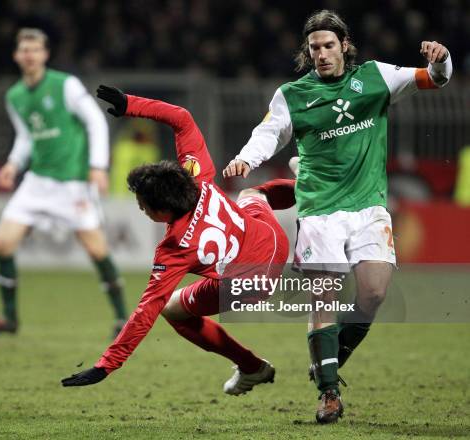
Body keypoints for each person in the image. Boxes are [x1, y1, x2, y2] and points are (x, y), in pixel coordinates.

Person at [223, 10, 452, 423]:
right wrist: (245, 159)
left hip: (368, 206)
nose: (322, 54)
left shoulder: (376, 78)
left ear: (344, 45)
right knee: (323, 296)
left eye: (329, 46)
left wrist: (440, 59)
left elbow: (434, 79)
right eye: (315, 48)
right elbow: (270, 132)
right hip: (319, 211)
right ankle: (329, 393)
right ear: (307, 52)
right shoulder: (293, 94)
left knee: (374, 294)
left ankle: (327, 360)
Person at [61, 85, 296, 394]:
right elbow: (182, 118)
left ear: (161, 209)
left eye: (143, 206)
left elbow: (146, 310)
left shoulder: (175, 248)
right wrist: (130, 104)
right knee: (252, 193)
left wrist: (107, 365)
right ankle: (311, 186)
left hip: (252, 284)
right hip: (273, 242)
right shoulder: (196, 175)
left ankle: (251, 366)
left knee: (172, 309)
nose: (141, 210)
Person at [0, 29, 127, 339]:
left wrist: (97, 166)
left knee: (97, 251)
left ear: (45, 54)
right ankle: (10, 318)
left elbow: (95, 121)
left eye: (35, 49)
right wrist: (13, 163)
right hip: (36, 182)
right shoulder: (14, 96)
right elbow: (27, 136)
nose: (29, 55)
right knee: (1, 244)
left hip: (73, 184)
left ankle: (123, 318)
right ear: (17, 56)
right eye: (24, 50)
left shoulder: (65, 85)